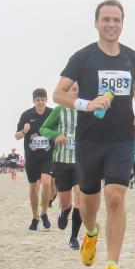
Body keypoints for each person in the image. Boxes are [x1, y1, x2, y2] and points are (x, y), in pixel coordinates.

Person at [53, 0, 135, 269]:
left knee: (116, 198)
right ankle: (91, 232)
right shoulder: (83, 58)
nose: (111, 25)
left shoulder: (132, 57)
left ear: (123, 23)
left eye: (116, 20)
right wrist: (86, 103)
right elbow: (59, 94)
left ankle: (112, 268)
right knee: (88, 204)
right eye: (106, 20)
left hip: (122, 139)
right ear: (96, 23)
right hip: (90, 141)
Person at [39, 85, 83, 249]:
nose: (76, 91)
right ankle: (64, 212)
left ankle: (74, 238)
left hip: (81, 161)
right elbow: (44, 128)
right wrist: (56, 135)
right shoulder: (59, 110)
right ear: (66, 92)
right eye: (73, 89)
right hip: (61, 161)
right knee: (66, 202)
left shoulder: (87, 108)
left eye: (79, 89)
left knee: (80, 196)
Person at [15, 88, 54, 230]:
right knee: (33, 189)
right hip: (32, 157)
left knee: (46, 183)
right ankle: (35, 217)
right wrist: (24, 131)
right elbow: (17, 136)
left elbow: (61, 130)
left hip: (48, 155)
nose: (40, 102)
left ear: (46, 100)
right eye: (37, 100)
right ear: (33, 101)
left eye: (42, 99)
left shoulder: (52, 113)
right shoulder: (26, 115)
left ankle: (44, 213)